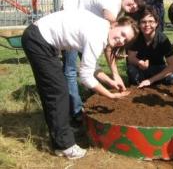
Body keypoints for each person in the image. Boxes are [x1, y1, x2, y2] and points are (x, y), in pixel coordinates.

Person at [22, 10, 139, 159]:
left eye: (125, 40)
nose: (121, 41)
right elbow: (85, 77)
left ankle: (61, 135)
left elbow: (91, 67)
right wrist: (110, 95)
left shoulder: (101, 28)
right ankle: (64, 146)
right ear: (115, 24)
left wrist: (110, 81)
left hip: (40, 39)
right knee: (57, 92)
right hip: (39, 41)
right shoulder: (97, 35)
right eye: (122, 34)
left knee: (56, 91)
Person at [61, 0, 146, 122]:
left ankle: (90, 96)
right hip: (69, 23)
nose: (134, 6)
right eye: (134, 0)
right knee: (71, 70)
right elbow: (108, 44)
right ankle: (76, 112)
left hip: (84, 28)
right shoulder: (112, 7)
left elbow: (107, 42)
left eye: (138, 6)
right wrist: (115, 75)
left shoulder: (118, 10)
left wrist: (114, 76)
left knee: (89, 66)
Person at [127, 6, 173, 87]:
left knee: (172, 76)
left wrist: (151, 80)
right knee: (131, 70)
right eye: (143, 22)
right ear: (139, 24)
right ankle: (141, 84)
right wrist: (139, 62)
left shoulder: (162, 39)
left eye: (151, 21)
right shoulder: (136, 37)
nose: (147, 25)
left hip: (158, 68)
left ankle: (154, 82)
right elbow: (130, 58)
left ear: (156, 23)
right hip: (141, 69)